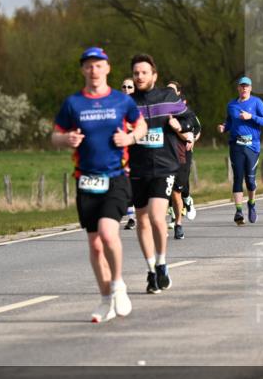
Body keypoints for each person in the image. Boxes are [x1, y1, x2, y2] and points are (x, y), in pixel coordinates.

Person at [53, 48, 144, 323]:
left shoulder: (120, 100)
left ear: (108, 68)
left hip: (116, 176)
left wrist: (129, 139)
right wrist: (66, 139)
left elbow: (141, 127)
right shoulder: (73, 103)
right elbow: (54, 136)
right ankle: (106, 300)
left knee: (107, 232)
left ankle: (118, 285)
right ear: (83, 70)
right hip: (86, 179)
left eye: (99, 65)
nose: (94, 70)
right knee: (94, 246)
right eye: (89, 66)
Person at [128, 54, 189, 293]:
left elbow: (191, 120)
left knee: (155, 216)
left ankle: (162, 262)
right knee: (141, 219)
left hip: (164, 167)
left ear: (154, 76)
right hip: (137, 168)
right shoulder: (127, 103)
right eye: (136, 73)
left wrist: (180, 126)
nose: (140, 76)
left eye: (144, 72)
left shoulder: (168, 97)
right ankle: (151, 270)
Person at [217, 76, 263, 225]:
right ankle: (239, 211)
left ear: (250, 88)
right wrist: (223, 127)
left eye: (247, 86)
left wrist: (251, 116)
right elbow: (229, 122)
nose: (244, 88)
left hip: (252, 146)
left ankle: (251, 203)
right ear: (238, 88)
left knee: (251, 181)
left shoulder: (257, 102)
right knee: (238, 178)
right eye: (242, 86)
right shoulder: (231, 105)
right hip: (236, 145)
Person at [166, 81, 200, 240]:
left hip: (181, 156)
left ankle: (178, 223)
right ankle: (164, 223)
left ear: (178, 93)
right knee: (162, 193)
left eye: (172, 90)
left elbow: (190, 133)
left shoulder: (186, 112)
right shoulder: (159, 111)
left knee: (177, 191)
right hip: (163, 157)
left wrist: (177, 128)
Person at [119, 78, 138, 231]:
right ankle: (131, 218)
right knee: (126, 183)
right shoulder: (117, 105)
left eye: (129, 87)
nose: (126, 89)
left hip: (140, 149)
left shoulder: (140, 105)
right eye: (124, 86)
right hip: (123, 151)